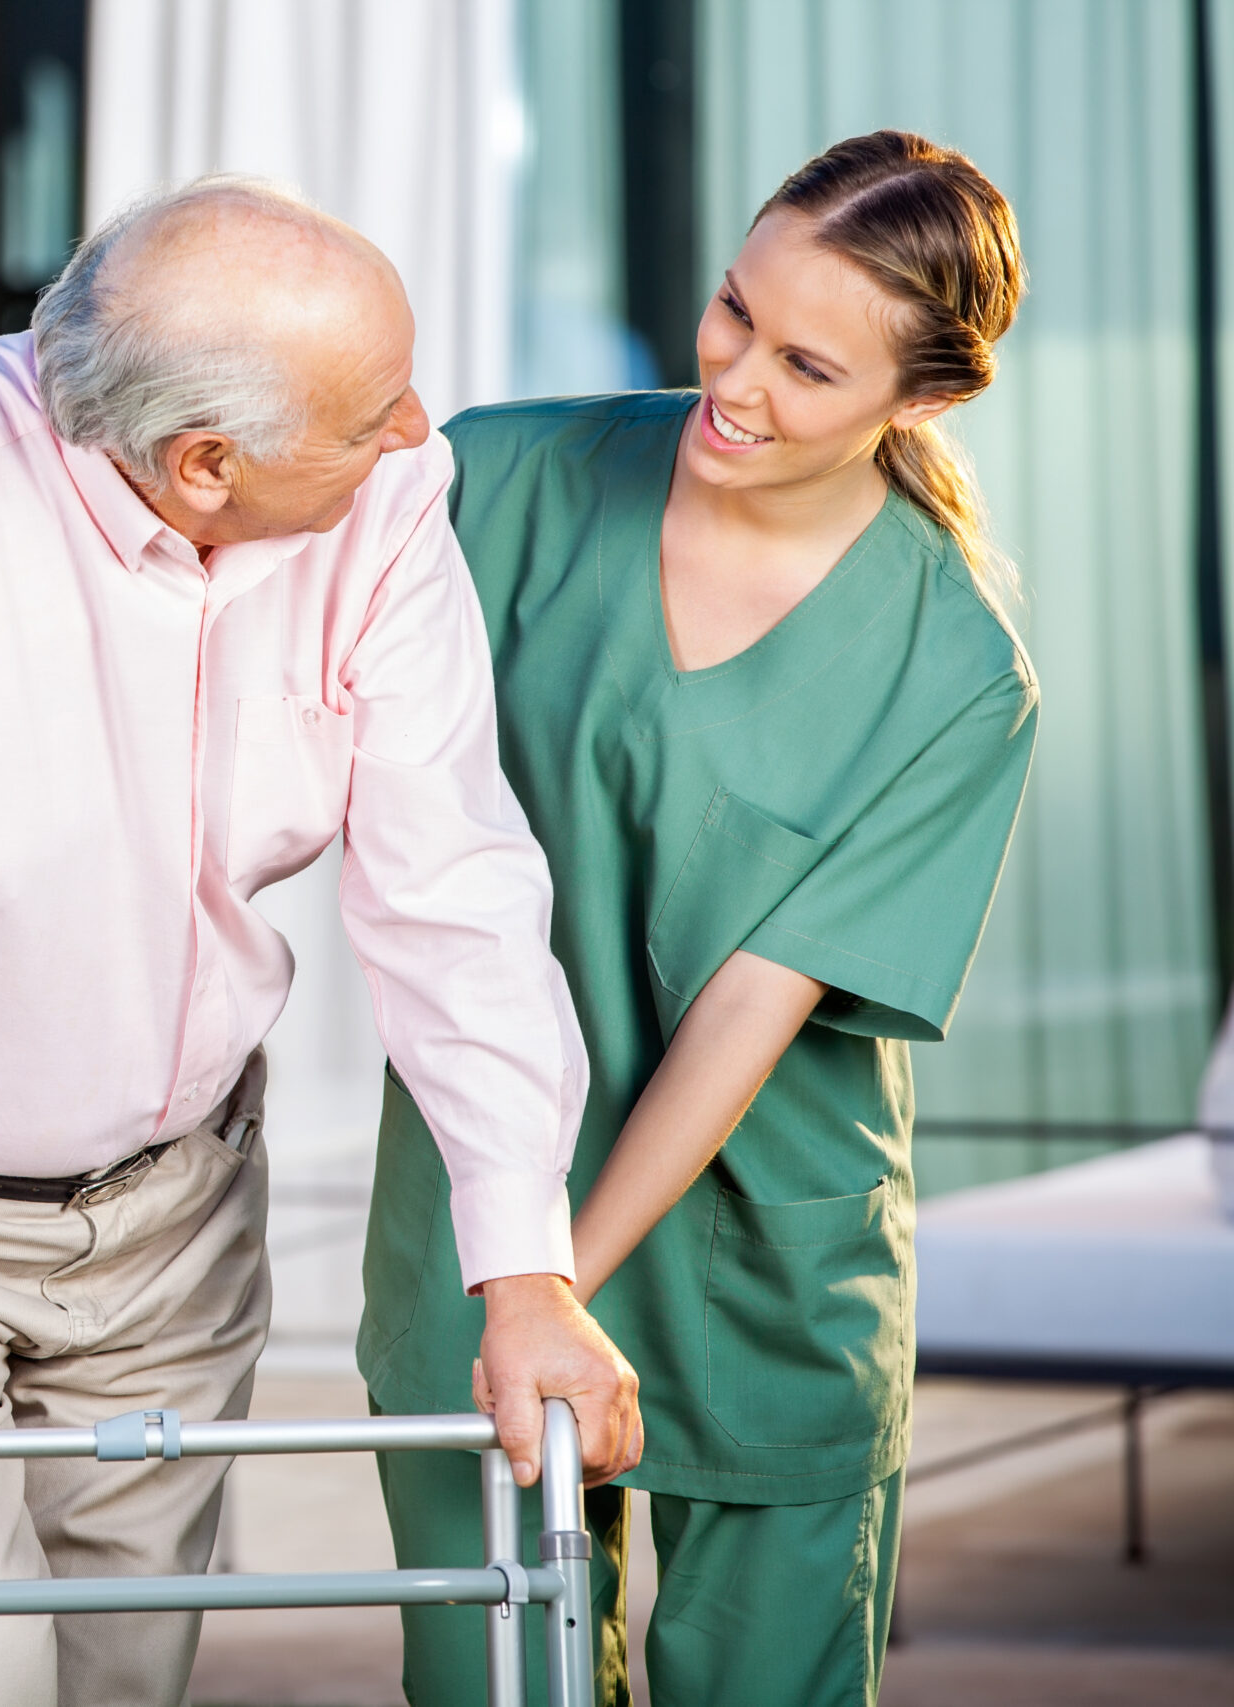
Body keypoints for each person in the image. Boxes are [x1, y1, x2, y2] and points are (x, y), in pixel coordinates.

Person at [0, 177, 641, 1707]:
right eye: (374, 405)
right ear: (204, 464)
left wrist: (527, 1269)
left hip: (179, 1215)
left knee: (129, 1678)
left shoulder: (382, 501)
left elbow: (456, 896)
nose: (417, 425)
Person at [363, 131, 1036, 1707]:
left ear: (919, 399)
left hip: (763, 1266)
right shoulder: (501, 482)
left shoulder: (956, 669)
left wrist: (556, 1282)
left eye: (808, 365)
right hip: (477, 1230)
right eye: (733, 310)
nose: (733, 378)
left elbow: (752, 1005)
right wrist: (512, 1279)